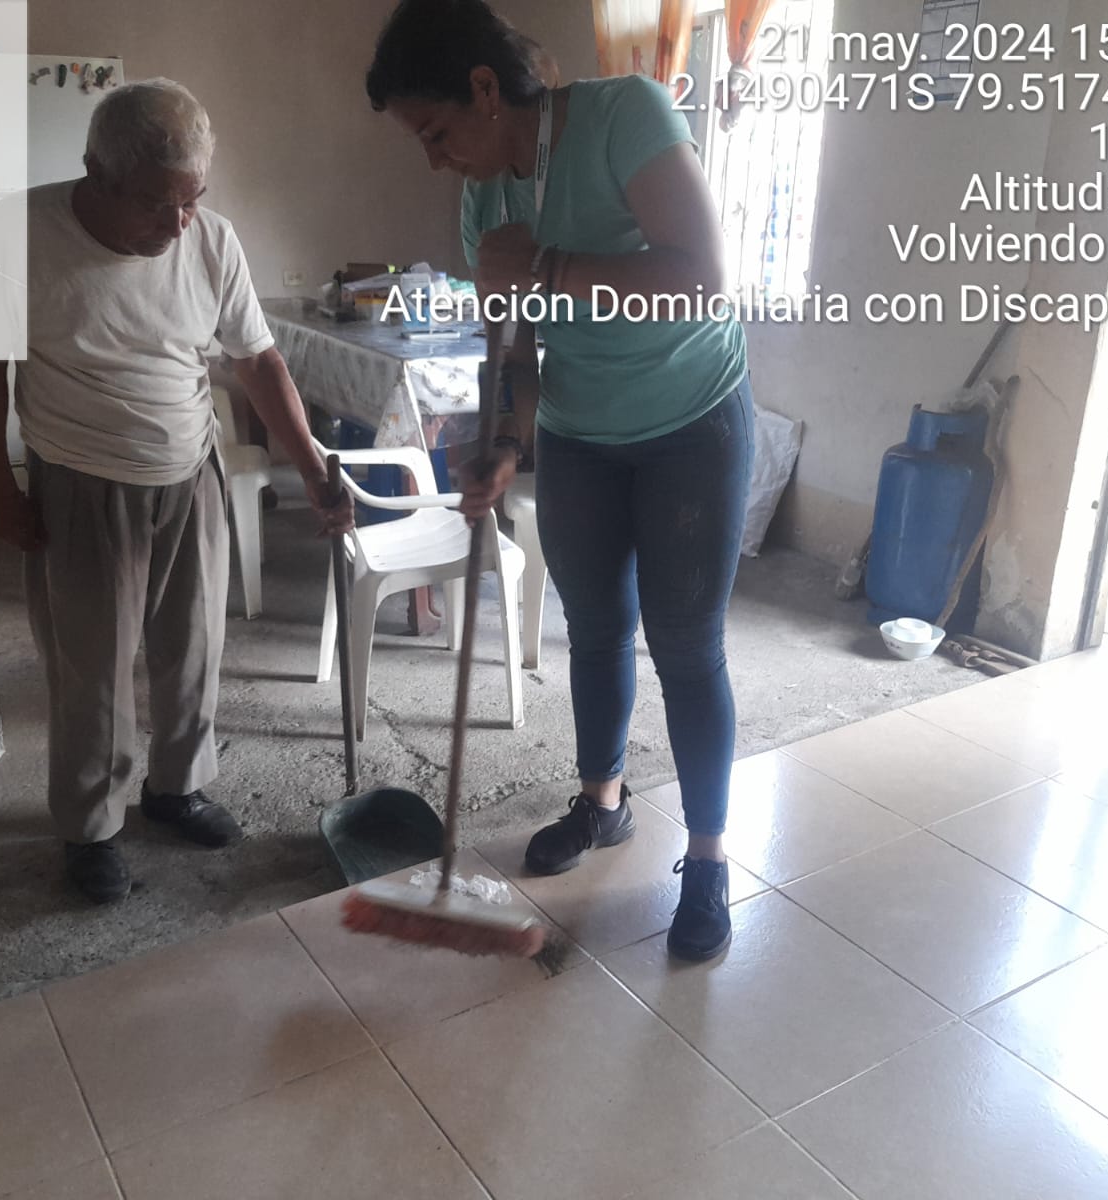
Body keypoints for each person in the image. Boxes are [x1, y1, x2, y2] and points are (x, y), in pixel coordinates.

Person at [367, 0, 755, 960]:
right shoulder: (485, 199)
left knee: (686, 645)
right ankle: (602, 802)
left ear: (485, 90)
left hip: (690, 422)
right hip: (581, 433)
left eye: (436, 132)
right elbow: (516, 344)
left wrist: (548, 264)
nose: (435, 159)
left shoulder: (627, 115)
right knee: (594, 629)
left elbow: (704, 277)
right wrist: (506, 438)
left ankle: (709, 859)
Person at [0, 79, 351, 904]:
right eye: (155, 204)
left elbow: (258, 361)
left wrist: (313, 464)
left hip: (190, 469)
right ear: (95, 173)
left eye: (192, 199)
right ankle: (91, 827)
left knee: (194, 649)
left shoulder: (211, 239)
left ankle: (177, 788)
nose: (177, 225)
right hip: (79, 478)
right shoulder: (19, 231)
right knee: (92, 672)